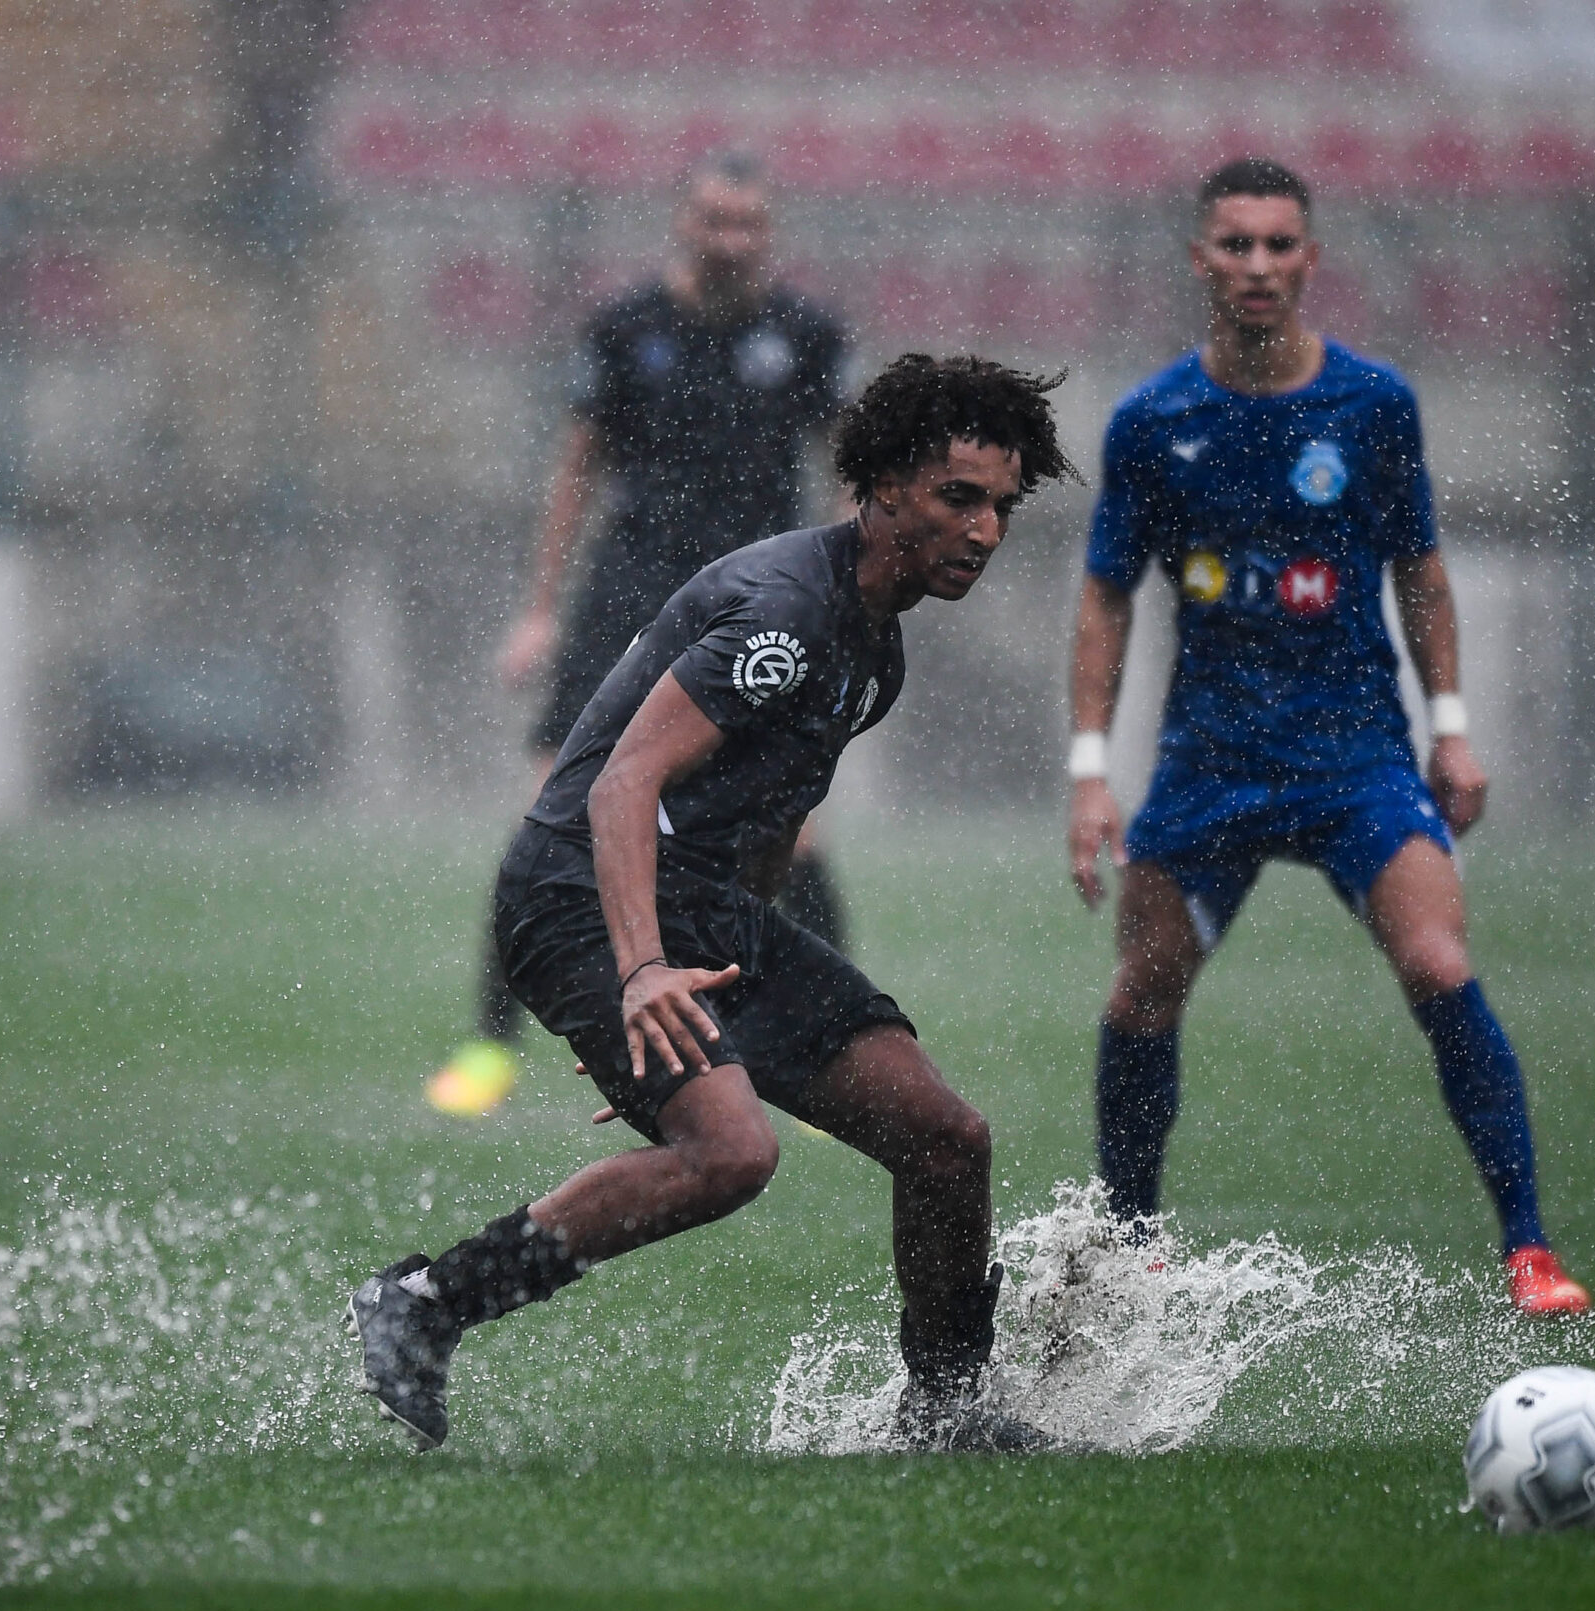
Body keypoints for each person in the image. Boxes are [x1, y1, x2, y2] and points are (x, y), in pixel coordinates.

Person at [355, 353, 1074, 1452]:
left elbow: (770, 821)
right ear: (883, 486)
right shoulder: (787, 619)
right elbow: (620, 785)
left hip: (705, 909)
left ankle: (944, 1411)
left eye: (1001, 507)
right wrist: (637, 976)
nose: (982, 531)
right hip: (576, 897)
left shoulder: (874, 647)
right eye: (957, 497)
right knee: (732, 1153)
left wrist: (702, 1016)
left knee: (943, 1138)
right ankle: (425, 1302)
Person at [1066, 158, 1590, 1316]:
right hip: (1211, 757)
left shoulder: (1371, 404)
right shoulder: (1154, 421)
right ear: (1198, 258)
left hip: (1354, 751)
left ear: (1310, 258)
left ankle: (1529, 1249)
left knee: (1439, 964)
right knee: (1141, 993)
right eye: (1235, 245)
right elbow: (1106, 595)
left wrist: (1450, 733)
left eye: (1278, 245)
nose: (1257, 265)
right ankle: (1129, 1250)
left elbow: (1420, 570)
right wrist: (1090, 771)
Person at [425, 151, 852, 1118]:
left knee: (798, 826)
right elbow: (577, 469)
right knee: (544, 816)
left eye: (748, 223)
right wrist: (541, 610)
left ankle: (843, 1035)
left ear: (770, 233)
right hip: (627, 604)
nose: (731, 240)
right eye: (714, 221)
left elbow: (844, 466)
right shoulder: (626, 330)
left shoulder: (809, 336)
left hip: (760, 609)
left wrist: (835, 598)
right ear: (682, 224)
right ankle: (490, 1050)